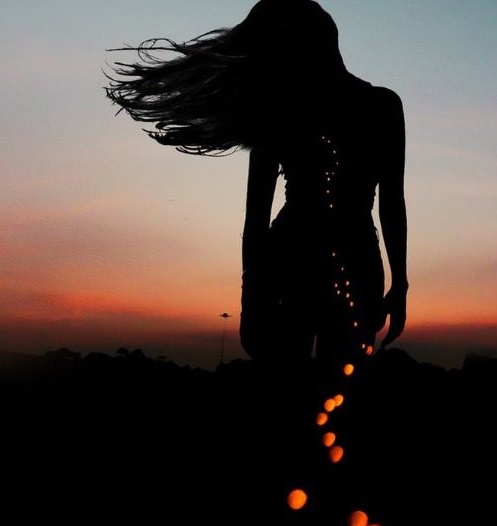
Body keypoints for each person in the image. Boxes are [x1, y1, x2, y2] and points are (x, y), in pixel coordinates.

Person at [103, 0, 407, 372]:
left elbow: (257, 214)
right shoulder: (379, 105)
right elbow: (391, 203)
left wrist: (250, 292)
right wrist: (400, 283)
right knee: (333, 388)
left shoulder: (282, 110)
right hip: (346, 258)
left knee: (294, 385)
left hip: (296, 258)